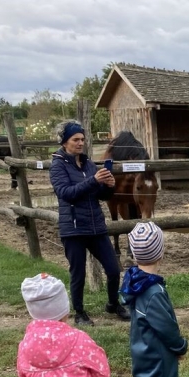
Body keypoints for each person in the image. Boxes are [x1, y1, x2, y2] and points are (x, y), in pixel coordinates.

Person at [120, 222, 188, 377]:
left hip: (143, 351)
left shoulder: (136, 280)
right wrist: (180, 346)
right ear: (160, 252)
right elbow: (166, 327)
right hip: (157, 356)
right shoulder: (153, 291)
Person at [50, 119, 130, 326]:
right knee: (78, 273)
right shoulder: (58, 165)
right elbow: (66, 193)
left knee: (113, 270)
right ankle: (79, 312)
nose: (80, 143)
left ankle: (113, 304)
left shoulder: (88, 164)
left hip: (96, 226)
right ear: (64, 142)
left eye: (82, 139)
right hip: (73, 229)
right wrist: (94, 180)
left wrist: (108, 186)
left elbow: (100, 195)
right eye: (75, 139)